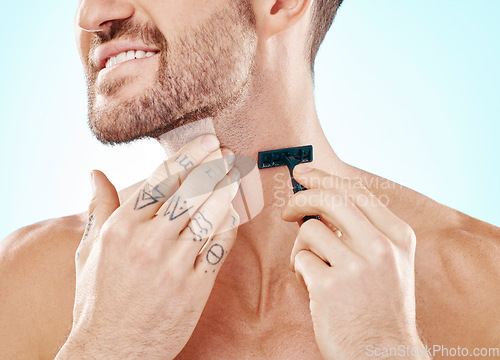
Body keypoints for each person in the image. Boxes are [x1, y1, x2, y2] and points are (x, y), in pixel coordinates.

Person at [0, 0, 498, 359]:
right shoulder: (23, 283)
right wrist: (105, 345)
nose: (91, 15)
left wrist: (387, 350)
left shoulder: (485, 288)